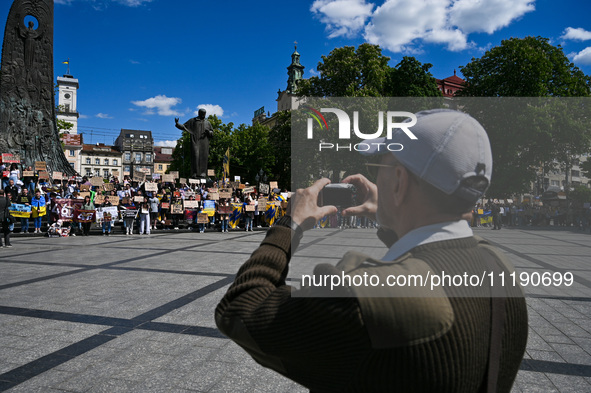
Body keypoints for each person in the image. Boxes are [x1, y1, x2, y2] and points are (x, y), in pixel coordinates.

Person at [215, 109, 528, 392]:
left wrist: (291, 223)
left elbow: (240, 310)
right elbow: (432, 263)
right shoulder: (498, 267)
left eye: (381, 165)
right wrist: (394, 214)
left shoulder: (364, 300)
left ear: (399, 181)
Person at [174, 108, 214, 178]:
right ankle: (194, 173)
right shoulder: (193, 121)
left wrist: (209, 132)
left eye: (204, 114)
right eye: (202, 114)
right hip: (195, 141)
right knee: (195, 156)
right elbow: (184, 126)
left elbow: (212, 133)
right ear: (199, 113)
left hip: (204, 143)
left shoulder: (207, 123)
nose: (203, 115)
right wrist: (177, 124)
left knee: (203, 157)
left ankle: (203, 173)